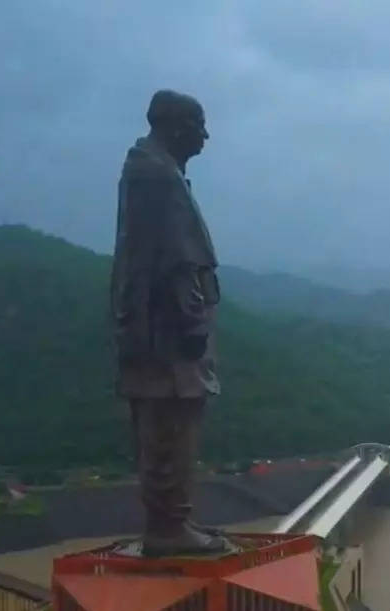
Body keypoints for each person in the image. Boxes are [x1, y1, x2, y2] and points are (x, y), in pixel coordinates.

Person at [110, 89, 226, 555]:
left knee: (168, 423)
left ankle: (172, 520)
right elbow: (175, 259)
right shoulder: (156, 176)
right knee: (171, 425)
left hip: (156, 326)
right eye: (199, 125)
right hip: (167, 331)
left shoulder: (151, 170)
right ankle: (167, 527)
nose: (205, 136)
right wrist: (192, 319)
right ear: (177, 127)